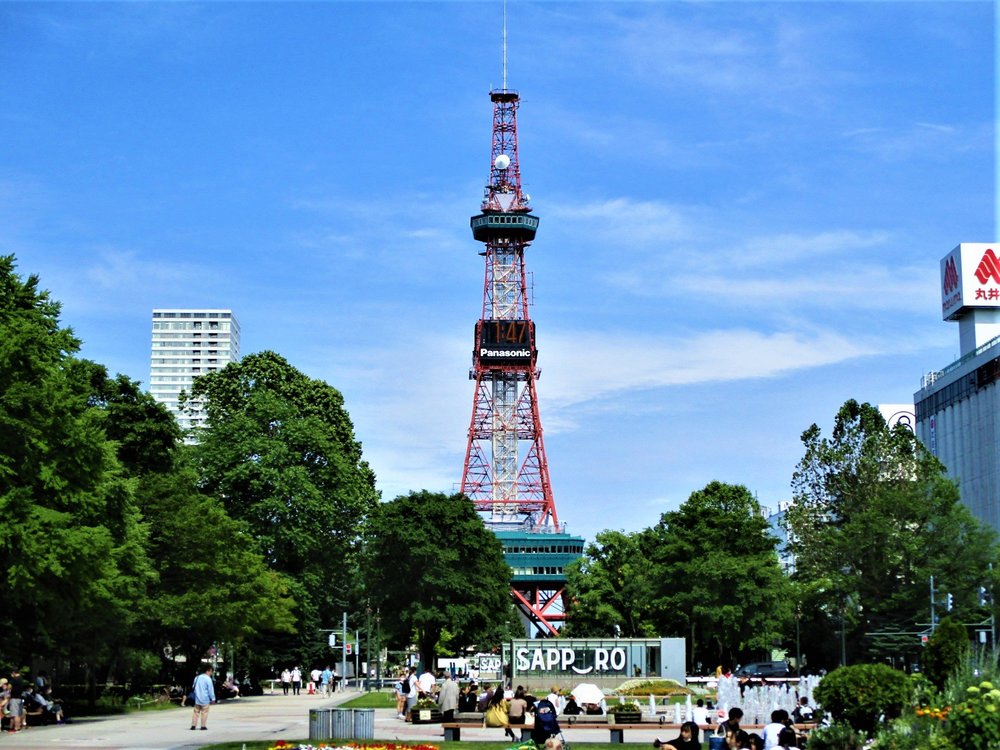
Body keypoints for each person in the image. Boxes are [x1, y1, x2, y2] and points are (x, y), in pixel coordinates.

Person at [189, 665, 216, 731]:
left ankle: (193, 725)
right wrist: (213, 698)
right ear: (208, 670)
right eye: (211, 671)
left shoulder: (197, 677)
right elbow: (210, 690)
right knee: (204, 712)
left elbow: (193, 687)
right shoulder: (208, 679)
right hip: (205, 699)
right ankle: (203, 726)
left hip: (197, 698)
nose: (211, 673)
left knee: (196, 712)